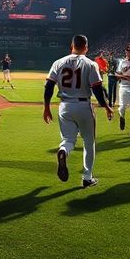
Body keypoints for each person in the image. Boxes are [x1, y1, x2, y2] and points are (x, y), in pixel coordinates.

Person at [43, 34, 113, 188]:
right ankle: (87, 177)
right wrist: (106, 106)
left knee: (68, 140)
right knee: (89, 143)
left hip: (64, 106)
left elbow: (48, 86)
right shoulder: (90, 64)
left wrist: (47, 107)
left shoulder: (58, 62)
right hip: (83, 106)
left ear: (71, 45)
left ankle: (63, 151)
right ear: (86, 47)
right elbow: (96, 89)